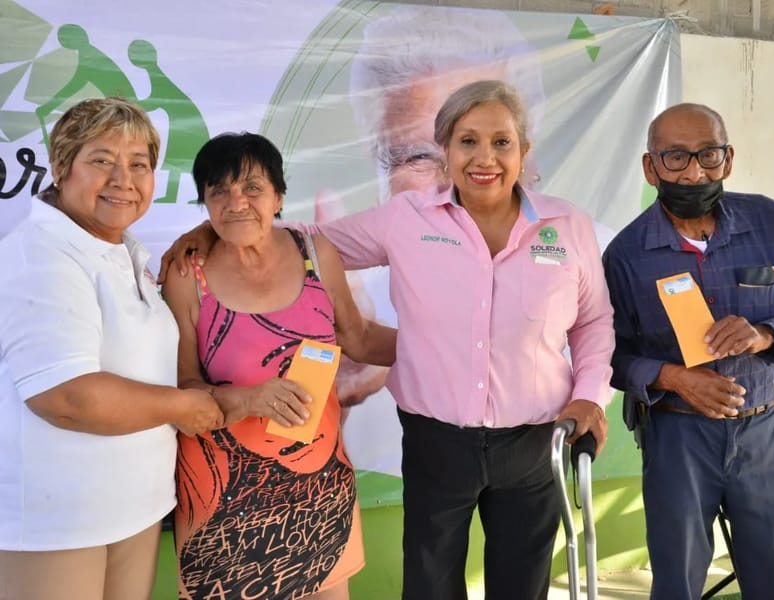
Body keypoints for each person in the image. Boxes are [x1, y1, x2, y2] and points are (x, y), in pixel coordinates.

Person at [163, 80, 614, 600]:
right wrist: (209, 231)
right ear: (445, 150)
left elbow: (593, 321)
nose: (484, 158)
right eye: (467, 141)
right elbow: (298, 239)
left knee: (522, 586)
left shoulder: (568, 226)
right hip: (435, 441)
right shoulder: (406, 217)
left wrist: (590, 396)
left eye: (501, 142)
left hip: (534, 441)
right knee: (429, 586)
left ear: (524, 150)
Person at [0, 97, 223, 600]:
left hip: (134, 507)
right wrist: (183, 407)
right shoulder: (40, 254)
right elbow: (66, 396)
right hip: (57, 522)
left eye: (139, 164)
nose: (124, 179)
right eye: (102, 160)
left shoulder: (122, 251)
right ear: (61, 167)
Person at [160, 132, 396, 600]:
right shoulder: (188, 276)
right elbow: (184, 389)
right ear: (205, 202)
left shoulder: (316, 255)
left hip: (320, 489)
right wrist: (250, 399)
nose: (236, 203)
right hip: (223, 501)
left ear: (279, 196)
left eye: (252, 187)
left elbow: (358, 338)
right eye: (219, 191)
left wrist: (450, 350)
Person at [602, 102, 774, 599]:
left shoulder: (771, 223)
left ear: (727, 159)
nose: (694, 172)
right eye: (675, 157)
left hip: (765, 430)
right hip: (677, 435)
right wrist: (674, 377)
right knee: (678, 580)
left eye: (708, 155)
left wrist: (766, 333)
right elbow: (609, 354)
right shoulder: (626, 254)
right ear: (650, 167)